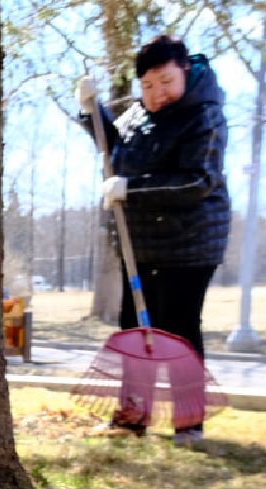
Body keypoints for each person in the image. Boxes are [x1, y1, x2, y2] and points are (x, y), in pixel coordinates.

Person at [77, 34, 230, 446]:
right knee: (135, 328)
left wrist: (131, 190)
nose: (156, 93)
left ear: (185, 71)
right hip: (141, 242)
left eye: (165, 81)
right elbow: (115, 149)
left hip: (190, 242)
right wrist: (92, 111)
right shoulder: (138, 115)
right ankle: (132, 416)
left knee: (177, 329)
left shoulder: (205, 116)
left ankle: (189, 422)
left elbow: (198, 180)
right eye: (147, 85)